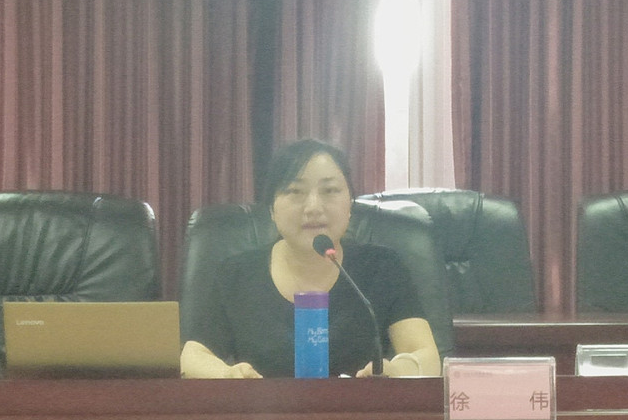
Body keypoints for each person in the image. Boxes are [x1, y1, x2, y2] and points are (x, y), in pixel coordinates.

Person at [180, 139, 440, 378]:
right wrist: (227, 374)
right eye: (295, 191)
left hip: (360, 412)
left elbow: (427, 357)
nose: (313, 207)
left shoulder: (382, 268)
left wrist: (396, 371)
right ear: (271, 209)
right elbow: (192, 357)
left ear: (350, 204)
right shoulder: (237, 274)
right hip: (262, 412)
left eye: (330, 190)